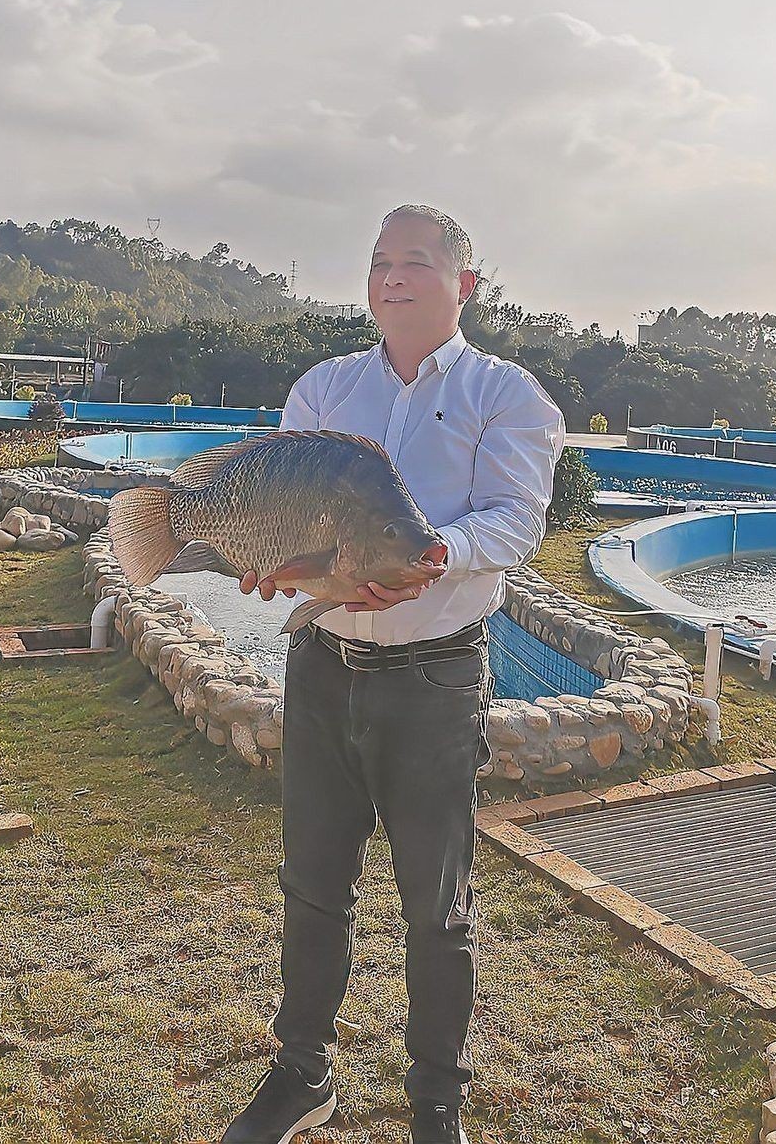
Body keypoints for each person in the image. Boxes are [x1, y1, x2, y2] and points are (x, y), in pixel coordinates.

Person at [221, 205, 565, 1144]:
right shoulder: (326, 389)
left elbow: (512, 523)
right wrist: (275, 559)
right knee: (312, 882)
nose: (391, 277)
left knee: (435, 904)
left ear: (466, 284)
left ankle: (436, 1105)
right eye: (379, 262)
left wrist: (424, 556)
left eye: (415, 261)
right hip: (324, 665)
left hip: (436, 681)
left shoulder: (510, 395)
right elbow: (277, 500)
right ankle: (301, 1077)